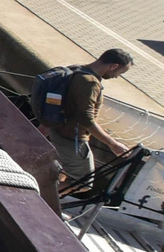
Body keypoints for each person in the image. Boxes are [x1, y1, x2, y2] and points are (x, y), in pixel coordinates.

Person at [47, 49, 133, 187]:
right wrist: (113, 144)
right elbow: (86, 119)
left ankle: (50, 196)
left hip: (56, 130)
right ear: (113, 66)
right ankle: (41, 194)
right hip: (72, 139)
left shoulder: (75, 69)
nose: (117, 77)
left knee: (62, 171)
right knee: (83, 183)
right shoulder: (90, 83)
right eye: (120, 73)